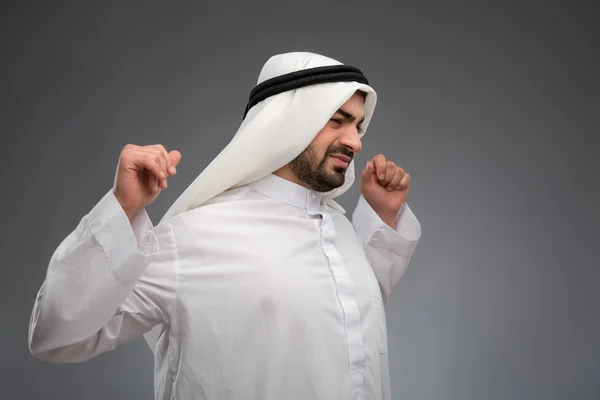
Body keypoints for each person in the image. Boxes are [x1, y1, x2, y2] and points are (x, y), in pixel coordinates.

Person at [28, 51, 421, 400]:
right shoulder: (196, 236)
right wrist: (123, 209)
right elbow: (57, 337)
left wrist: (383, 217)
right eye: (338, 121)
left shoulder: (339, 230)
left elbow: (342, 326)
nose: (355, 141)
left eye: (358, 126)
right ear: (287, 122)